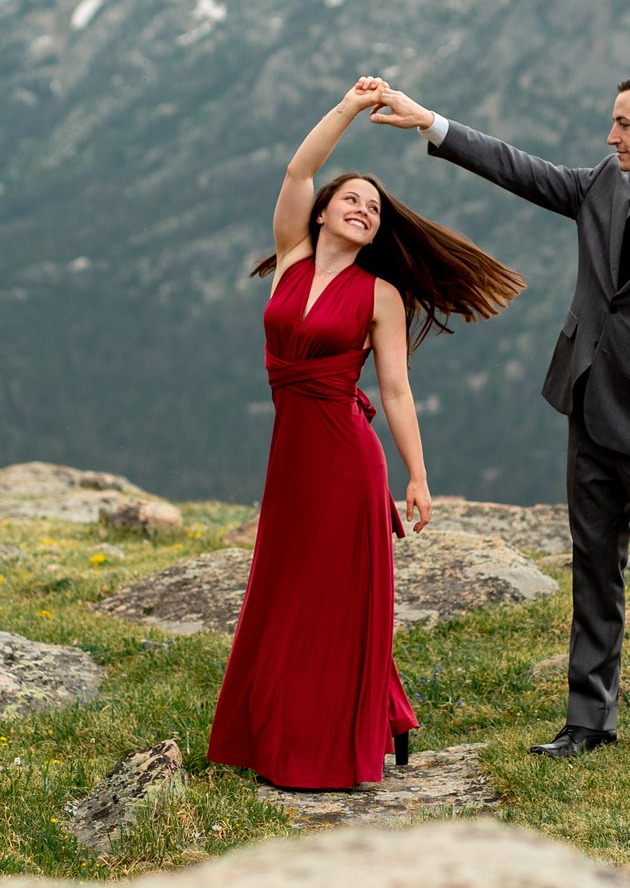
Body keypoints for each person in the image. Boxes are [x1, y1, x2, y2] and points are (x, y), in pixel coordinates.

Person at [370, 72, 630, 781]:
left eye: (623, 124)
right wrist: (428, 119)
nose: (610, 137)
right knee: (593, 567)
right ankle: (587, 720)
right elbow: (517, 168)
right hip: (587, 413)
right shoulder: (602, 187)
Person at [207, 77, 524, 791]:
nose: (362, 209)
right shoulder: (288, 256)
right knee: (285, 592)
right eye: (351, 199)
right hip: (290, 457)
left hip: (346, 459)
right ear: (321, 213)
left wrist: (414, 474)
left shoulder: (382, 294)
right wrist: (348, 109)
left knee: (332, 599)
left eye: (374, 208)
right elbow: (297, 168)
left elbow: (396, 391)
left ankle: (324, 745)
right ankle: (364, 716)